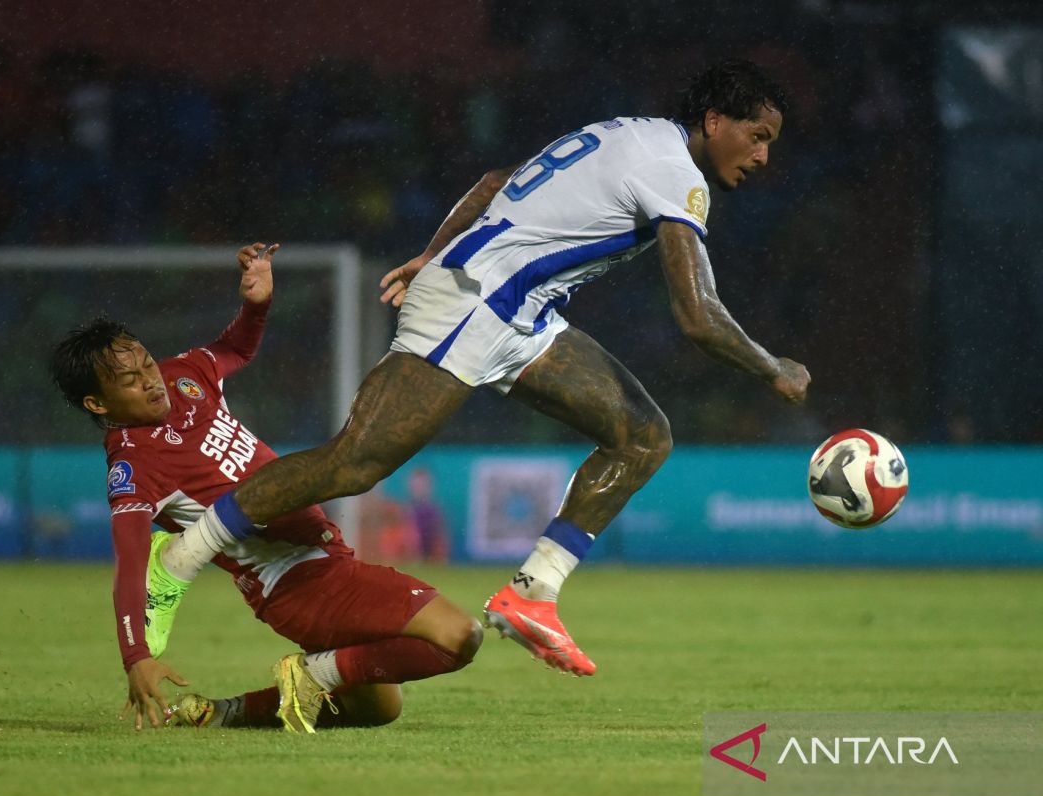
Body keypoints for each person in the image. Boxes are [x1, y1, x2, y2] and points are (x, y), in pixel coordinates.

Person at [174, 59, 811, 677]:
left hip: (517, 313)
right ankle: (179, 558)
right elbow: (697, 314)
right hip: (477, 302)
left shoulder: (628, 132)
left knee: (643, 435)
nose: (762, 157)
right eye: (757, 137)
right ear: (714, 120)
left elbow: (491, 180)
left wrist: (432, 253)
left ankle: (533, 593)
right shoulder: (678, 174)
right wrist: (772, 369)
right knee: (354, 464)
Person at [48, 244, 482, 732]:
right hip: (297, 582)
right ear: (97, 403)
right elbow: (130, 565)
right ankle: (311, 673)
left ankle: (220, 714)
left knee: (377, 706)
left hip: (324, 562)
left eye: (146, 364)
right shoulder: (133, 463)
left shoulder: (181, 375)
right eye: (129, 381)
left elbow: (236, 349)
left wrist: (256, 305)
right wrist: (135, 656)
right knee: (458, 635)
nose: (150, 381)